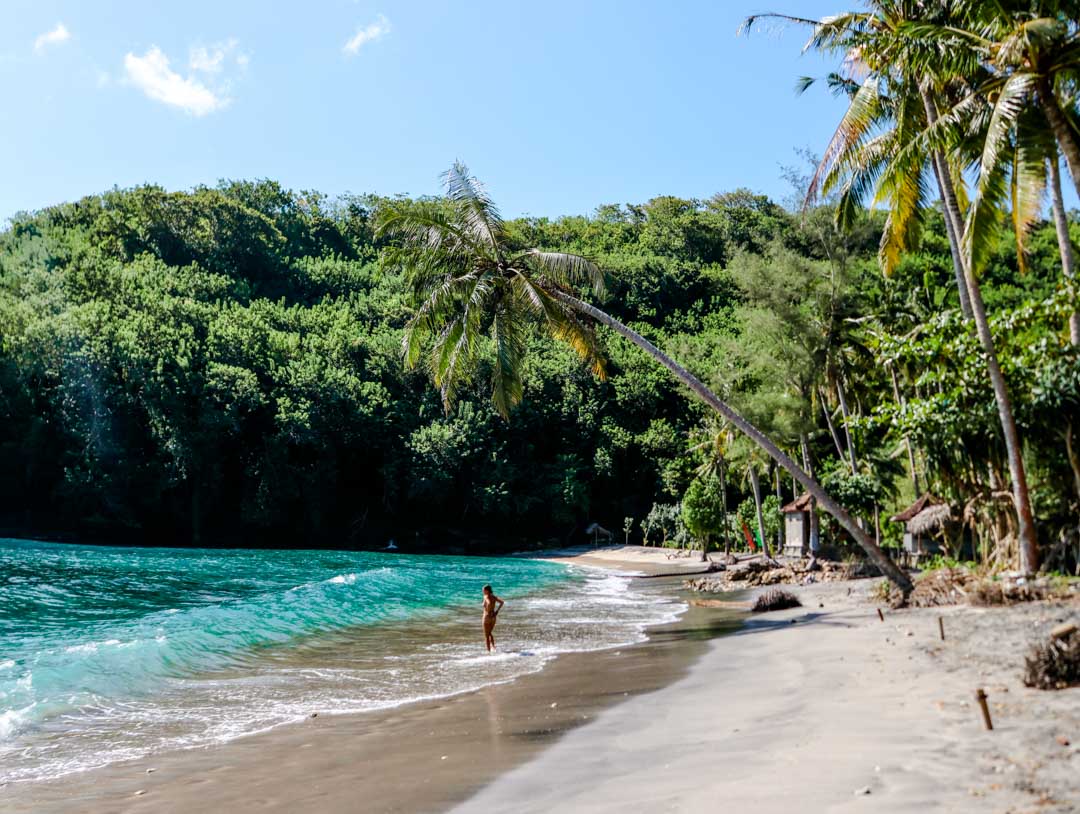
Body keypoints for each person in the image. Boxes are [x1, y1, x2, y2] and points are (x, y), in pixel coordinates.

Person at [481, 585, 504, 652]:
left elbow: (489, 602)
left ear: (487, 590)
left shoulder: (486, 597)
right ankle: (493, 647)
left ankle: (488, 651)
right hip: (493, 617)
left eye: (483, 590)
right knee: (489, 633)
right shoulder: (494, 597)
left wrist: (488, 610)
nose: (482, 591)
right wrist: (496, 611)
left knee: (487, 635)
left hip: (487, 617)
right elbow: (502, 602)